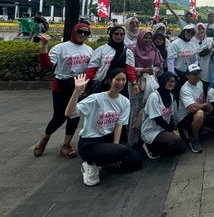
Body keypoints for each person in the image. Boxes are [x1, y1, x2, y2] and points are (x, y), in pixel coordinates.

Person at [65, 70, 143, 186]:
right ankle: (91, 164)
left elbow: (119, 126)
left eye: (123, 80)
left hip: (108, 140)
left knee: (136, 161)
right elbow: (69, 113)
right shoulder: (96, 99)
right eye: (117, 79)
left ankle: (102, 162)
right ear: (110, 81)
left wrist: (115, 151)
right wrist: (76, 92)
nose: (121, 83)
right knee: (123, 151)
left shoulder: (125, 102)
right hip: (89, 143)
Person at [33, 23, 94, 158]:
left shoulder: (89, 50)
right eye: (80, 31)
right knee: (59, 116)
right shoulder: (61, 48)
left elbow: (93, 68)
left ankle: (66, 144)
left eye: (86, 33)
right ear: (74, 31)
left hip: (78, 85)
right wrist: (43, 46)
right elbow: (46, 65)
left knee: (75, 115)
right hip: (61, 85)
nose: (82, 34)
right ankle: (45, 138)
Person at [140, 72, 187, 159]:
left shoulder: (170, 95)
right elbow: (157, 119)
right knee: (176, 140)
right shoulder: (154, 96)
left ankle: (159, 147)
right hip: (152, 130)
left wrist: (174, 130)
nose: (171, 83)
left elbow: (170, 116)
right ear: (163, 81)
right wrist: (172, 131)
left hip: (163, 129)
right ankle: (149, 146)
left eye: (173, 81)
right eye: (168, 81)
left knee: (182, 147)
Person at [129, 29, 163, 146]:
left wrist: (153, 71)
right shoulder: (133, 50)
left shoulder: (154, 49)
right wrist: (143, 70)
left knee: (149, 110)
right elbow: (129, 68)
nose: (148, 40)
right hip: (136, 84)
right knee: (135, 111)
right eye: (145, 37)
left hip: (151, 82)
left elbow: (158, 64)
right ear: (140, 38)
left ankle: (146, 138)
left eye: (149, 38)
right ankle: (133, 141)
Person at [85, 26, 138, 99]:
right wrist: (85, 83)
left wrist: (134, 84)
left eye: (121, 34)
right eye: (116, 34)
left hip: (120, 86)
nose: (119, 36)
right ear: (111, 35)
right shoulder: (101, 50)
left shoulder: (127, 52)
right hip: (102, 85)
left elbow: (130, 70)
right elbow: (92, 68)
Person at [176, 64, 212, 153]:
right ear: (187, 76)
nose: (197, 76)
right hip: (185, 117)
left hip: (195, 112)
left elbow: (202, 99)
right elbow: (192, 108)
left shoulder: (200, 83)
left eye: (198, 73)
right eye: (194, 74)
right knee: (200, 114)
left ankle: (196, 129)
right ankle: (194, 138)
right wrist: (206, 105)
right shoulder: (185, 89)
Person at [167, 24, 199, 88]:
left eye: (192, 33)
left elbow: (195, 59)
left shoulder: (193, 44)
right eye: (188, 31)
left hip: (189, 74)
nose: (190, 34)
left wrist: (194, 71)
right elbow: (170, 61)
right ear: (184, 31)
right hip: (178, 74)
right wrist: (172, 76)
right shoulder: (175, 43)